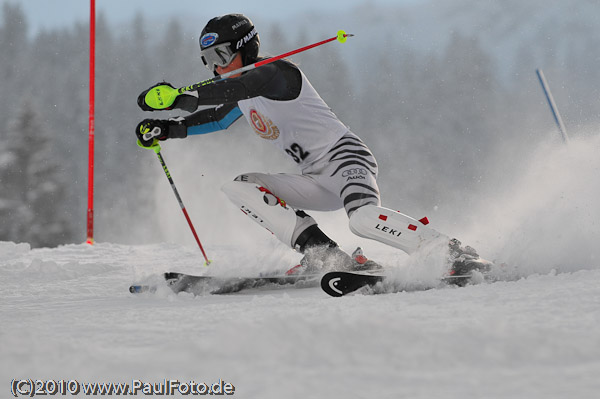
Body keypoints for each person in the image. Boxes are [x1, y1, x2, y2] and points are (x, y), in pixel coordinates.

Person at [135, 13, 487, 275]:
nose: (216, 68)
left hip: (346, 158)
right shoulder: (242, 92)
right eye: (209, 62)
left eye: (222, 57)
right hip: (315, 179)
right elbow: (217, 118)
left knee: (362, 219)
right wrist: (166, 129)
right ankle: (326, 255)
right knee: (240, 186)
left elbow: (241, 88)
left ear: (246, 49)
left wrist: (183, 97)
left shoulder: (274, 74)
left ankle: (450, 252)